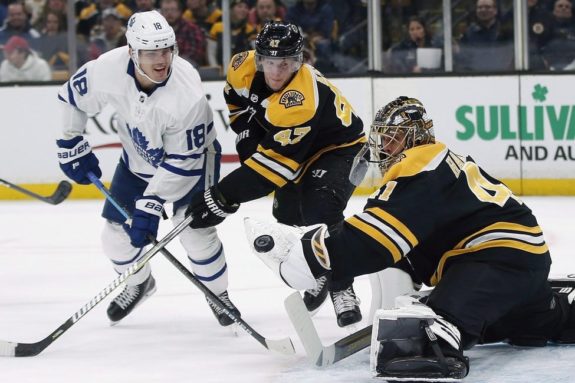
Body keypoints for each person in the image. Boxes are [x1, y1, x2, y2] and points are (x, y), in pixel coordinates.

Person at [244, 96, 575, 381]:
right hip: (516, 260)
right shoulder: (438, 164)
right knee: (534, 320)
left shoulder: (420, 165)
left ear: (414, 137)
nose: (386, 147)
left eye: (393, 138)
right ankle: (555, 309)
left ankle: (440, 342)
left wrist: (312, 256)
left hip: (496, 258)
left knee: (430, 330)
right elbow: (402, 247)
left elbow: (377, 239)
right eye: (383, 139)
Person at [55, 10, 239, 327]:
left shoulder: (187, 94)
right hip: (137, 160)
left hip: (194, 163)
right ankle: (138, 282)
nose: (161, 59)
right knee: (115, 235)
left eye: (166, 50)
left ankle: (217, 294)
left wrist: (151, 203)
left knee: (193, 230)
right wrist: (71, 141)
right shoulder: (107, 70)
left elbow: (184, 161)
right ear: (132, 52)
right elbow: (72, 97)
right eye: (151, 52)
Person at [185, 21, 366, 328]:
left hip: (341, 148)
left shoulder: (301, 99)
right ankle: (318, 273)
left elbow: (272, 171)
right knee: (287, 218)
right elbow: (239, 109)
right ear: (259, 58)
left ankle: (342, 287)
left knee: (320, 208)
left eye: (284, 64)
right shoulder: (240, 67)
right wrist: (247, 138)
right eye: (269, 63)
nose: (275, 73)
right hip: (296, 147)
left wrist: (223, 195)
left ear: (298, 61)